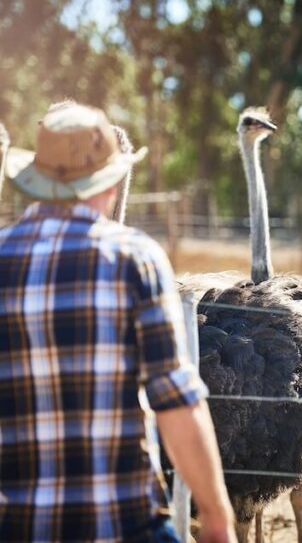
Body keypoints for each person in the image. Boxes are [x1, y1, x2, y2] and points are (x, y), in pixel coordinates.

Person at [0, 103, 236, 543]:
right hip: (122, 523)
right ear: (109, 183)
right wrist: (216, 517)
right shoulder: (135, 259)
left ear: (37, 178)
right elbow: (175, 400)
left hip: (19, 525)